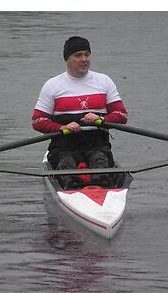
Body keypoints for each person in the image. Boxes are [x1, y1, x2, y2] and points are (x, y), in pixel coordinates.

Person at [32, 36, 128, 188]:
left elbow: (122, 115)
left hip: (97, 144)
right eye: (78, 55)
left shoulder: (104, 81)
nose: (84, 59)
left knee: (100, 167)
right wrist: (61, 128)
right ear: (67, 59)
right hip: (64, 146)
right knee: (67, 167)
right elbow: (37, 121)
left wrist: (102, 119)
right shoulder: (52, 85)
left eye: (87, 54)